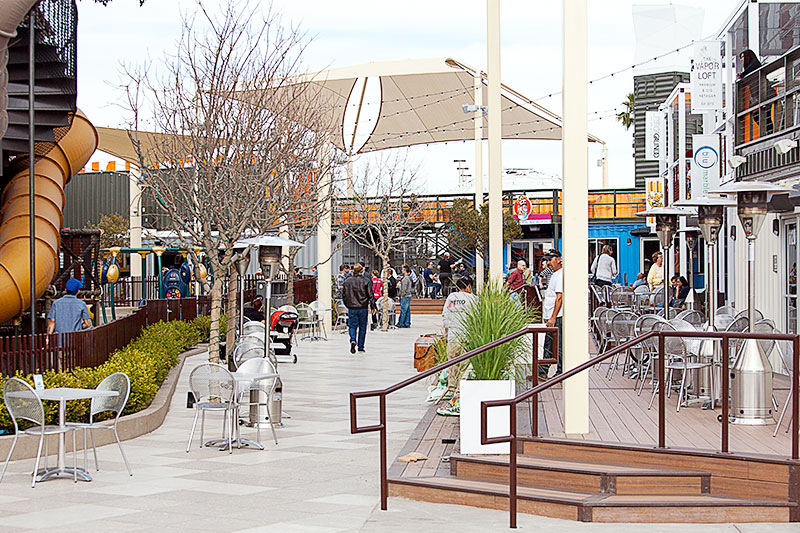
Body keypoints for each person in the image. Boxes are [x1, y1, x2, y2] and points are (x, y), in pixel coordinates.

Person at [343, 263, 373, 353]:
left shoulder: (347, 281)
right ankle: (361, 346)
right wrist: (373, 306)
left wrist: (347, 304)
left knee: (352, 326)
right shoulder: (366, 281)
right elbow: (370, 294)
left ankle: (352, 339)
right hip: (363, 307)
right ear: (362, 271)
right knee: (362, 327)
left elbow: (344, 295)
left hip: (352, 307)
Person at [542, 250, 563, 377]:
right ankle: (542, 371)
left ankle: (560, 372)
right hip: (552, 315)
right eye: (547, 260)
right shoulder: (554, 274)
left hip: (557, 316)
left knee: (557, 345)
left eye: (550, 260)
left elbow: (559, 297)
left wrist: (553, 317)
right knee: (549, 344)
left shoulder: (560, 275)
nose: (548, 263)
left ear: (559, 259)